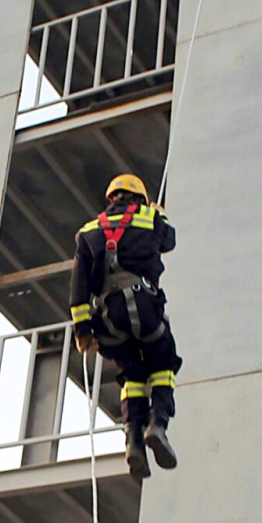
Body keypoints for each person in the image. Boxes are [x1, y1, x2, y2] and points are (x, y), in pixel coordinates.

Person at [70, 174, 181, 480]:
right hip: (144, 307)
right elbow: (169, 240)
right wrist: (161, 213)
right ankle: (158, 423)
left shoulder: (89, 231)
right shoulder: (149, 217)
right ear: (140, 198)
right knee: (163, 363)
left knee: (131, 374)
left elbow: (78, 286)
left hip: (108, 318)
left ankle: (133, 441)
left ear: (112, 198)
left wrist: (82, 331)